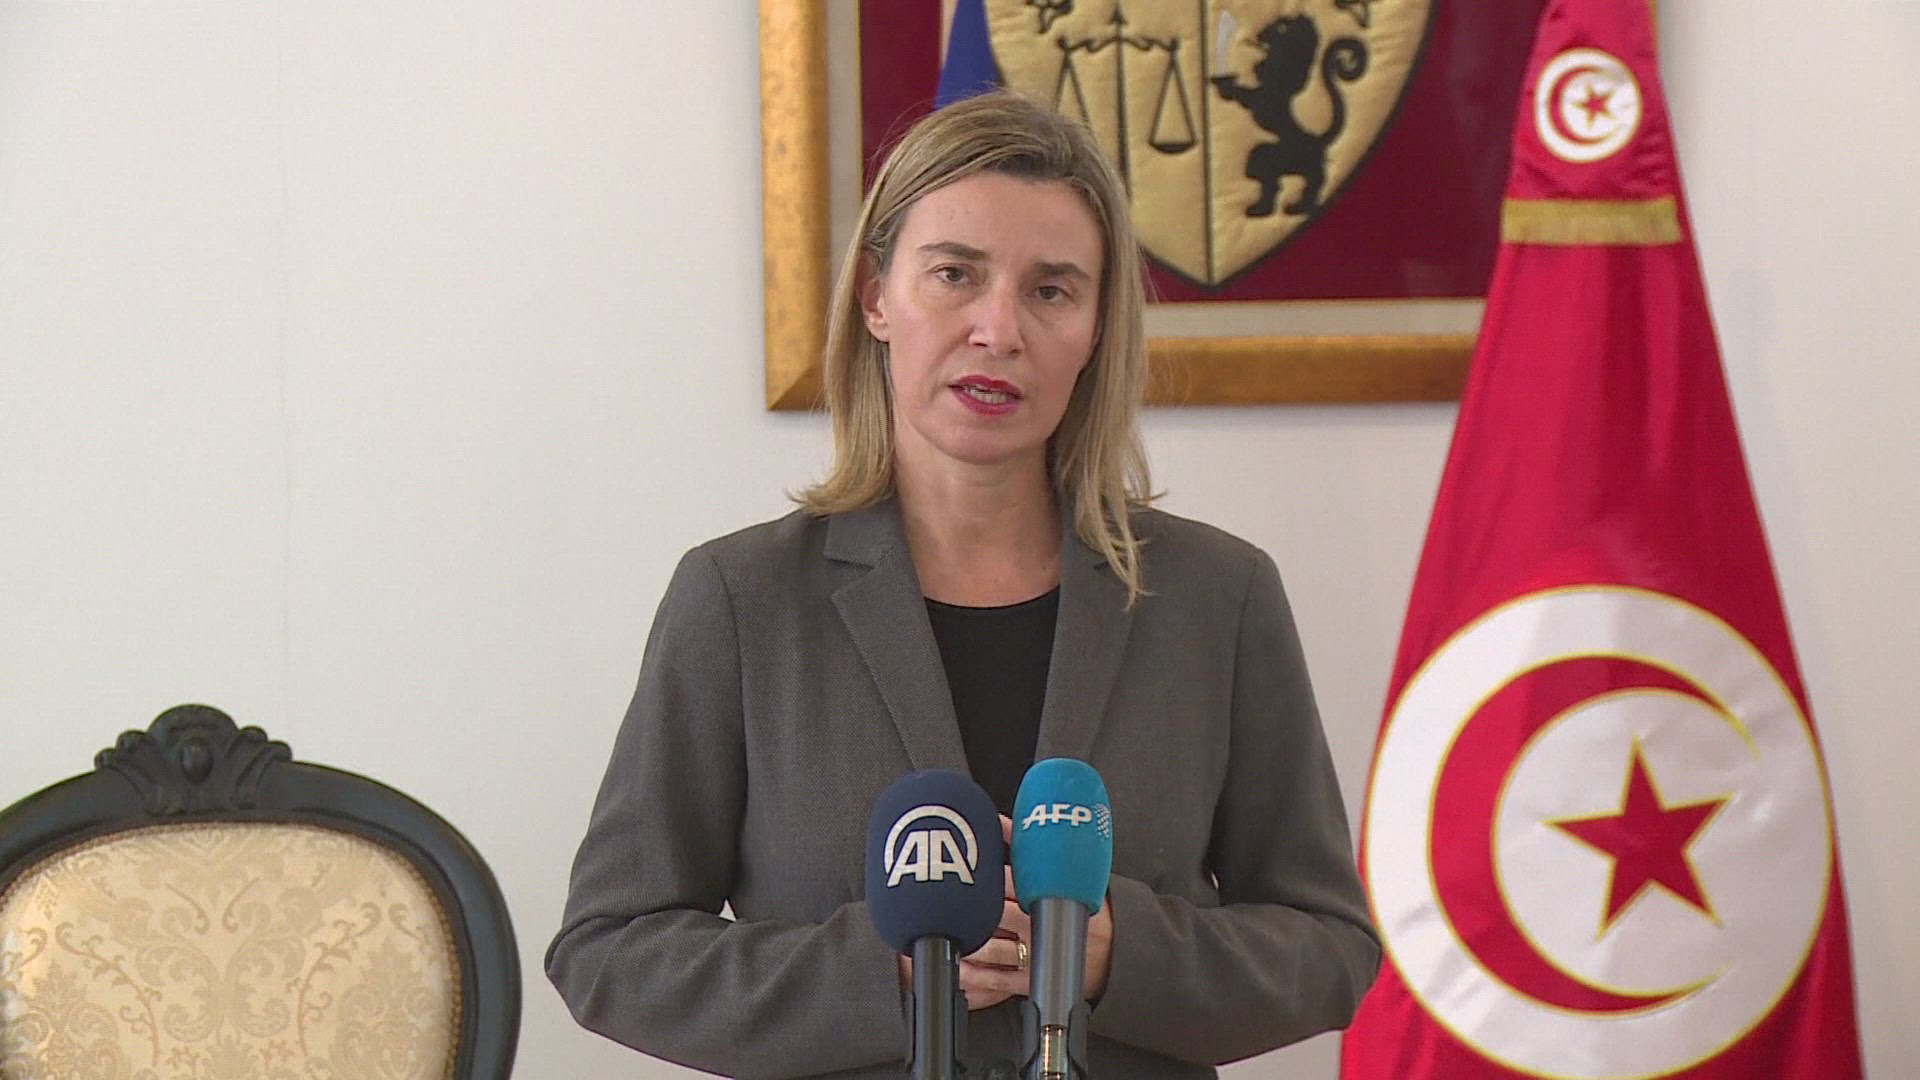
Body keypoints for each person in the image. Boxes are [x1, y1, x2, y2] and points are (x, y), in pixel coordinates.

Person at [546, 90, 1380, 1079]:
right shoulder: (739, 598)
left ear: (1096, 329)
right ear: (876, 298)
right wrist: (888, 970)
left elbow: (1330, 947)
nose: (998, 329)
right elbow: (610, 952)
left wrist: (1121, 955)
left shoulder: (1219, 597)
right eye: (955, 275)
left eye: (1052, 291)